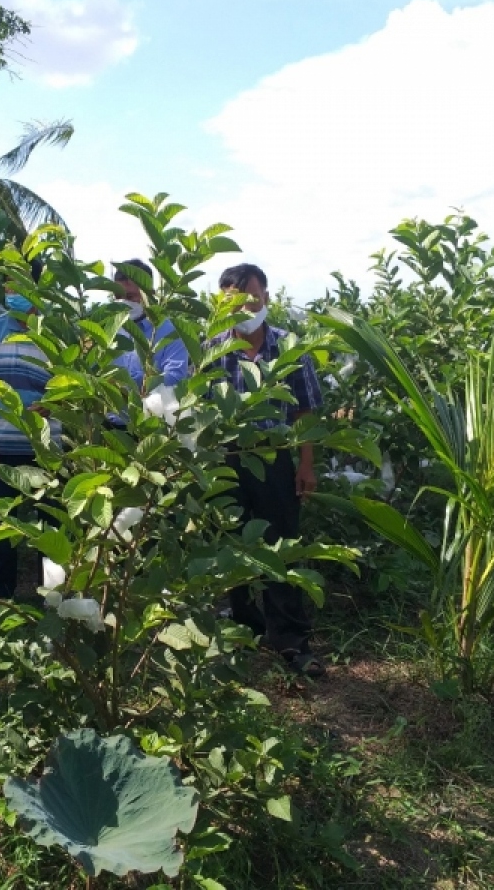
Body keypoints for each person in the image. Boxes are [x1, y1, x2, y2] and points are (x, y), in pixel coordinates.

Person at [207, 263, 326, 677]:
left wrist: (306, 464)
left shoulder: (290, 348)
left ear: (267, 299)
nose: (244, 308)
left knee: (281, 547)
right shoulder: (212, 349)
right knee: (231, 543)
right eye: (233, 302)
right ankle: (242, 627)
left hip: (275, 459)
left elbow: (306, 411)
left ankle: (291, 640)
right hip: (227, 460)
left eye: (251, 299)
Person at [0, 259, 60, 599]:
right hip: (2, 446)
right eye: (6, 283)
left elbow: (74, 381)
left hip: (49, 448)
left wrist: (54, 404)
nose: (9, 290)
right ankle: (1, 595)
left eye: (16, 282)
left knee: (51, 525)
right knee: (3, 525)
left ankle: (53, 597)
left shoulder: (57, 330)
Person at [110, 258, 189, 390]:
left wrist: (125, 381)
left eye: (130, 297)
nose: (123, 302)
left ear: (149, 295)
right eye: (118, 297)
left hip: (151, 409)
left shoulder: (170, 332)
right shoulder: (107, 329)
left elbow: (175, 377)